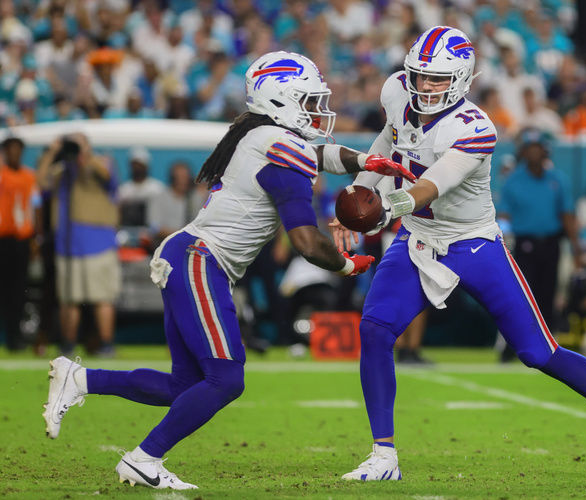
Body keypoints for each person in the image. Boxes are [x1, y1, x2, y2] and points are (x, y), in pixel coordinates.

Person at [43, 50, 415, 491]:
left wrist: (366, 162)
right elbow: (305, 241)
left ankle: (80, 379)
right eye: (310, 100)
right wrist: (348, 264)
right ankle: (144, 459)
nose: (319, 111)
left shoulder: (264, 136)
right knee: (225, 379)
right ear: (283, 101)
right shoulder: (282, 149)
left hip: (189, 256)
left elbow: (319, 154)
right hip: (201, 259)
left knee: (186, 383)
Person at [330, 26, 586, 483]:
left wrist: (380, 211)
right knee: (375, 331)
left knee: (540, 352)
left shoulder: (475, 128)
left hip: (473, 242)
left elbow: (430, 186)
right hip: (418, 237)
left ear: (461, 79)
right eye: (419, 76)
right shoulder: (397, 91)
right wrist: (360, 190)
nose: (424, 86)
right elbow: (387, 143)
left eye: (436, 79)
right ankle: (384, 455)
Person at [36, 133, 120, 357]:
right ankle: (68, 344)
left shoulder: (101, 163)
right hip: (67, 245)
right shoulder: (61, 171)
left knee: (102, 297)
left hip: (99, 243)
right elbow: (41, 183)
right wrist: (53, 152)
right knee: (68, 300)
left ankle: (106, 344)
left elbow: (108, 177)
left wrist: (85, 155)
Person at [498, 128, 581, 333]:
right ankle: (515, 341)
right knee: (522, 293)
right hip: (524, 243)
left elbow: (567, 214)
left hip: (551, 243)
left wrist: (576, 247)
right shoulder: (513, 181)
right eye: (530, 148)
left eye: (538, 148)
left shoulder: (558, 179)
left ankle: (547, 341)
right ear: (523, 152)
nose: (534, 153)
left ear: (546, 151)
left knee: (548, 293)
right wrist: (505, 242)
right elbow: (504, 216)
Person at [0, 137, 40, 351]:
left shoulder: (29, 177)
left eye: (18, 150)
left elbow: (36, 206)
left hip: (22, 239)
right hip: (3, 237)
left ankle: (14, 337)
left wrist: (36, 238)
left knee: (18, 290)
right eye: (10, 150)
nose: (14, 153)